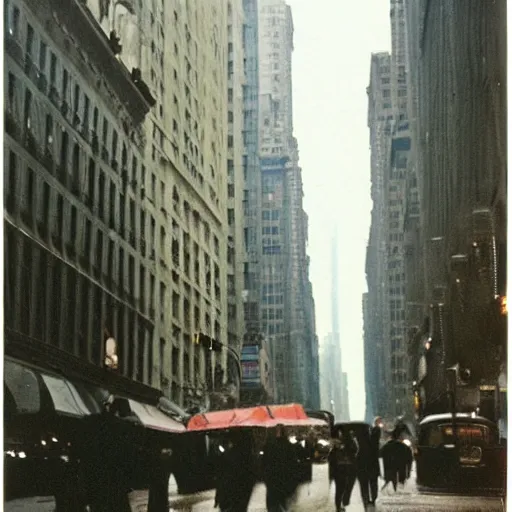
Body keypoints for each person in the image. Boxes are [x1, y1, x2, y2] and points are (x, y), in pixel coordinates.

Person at [214, 429, 256, 511]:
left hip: (229, 497)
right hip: (240, 496)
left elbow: (221, 479)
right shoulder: (247, 458)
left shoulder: (227, 456)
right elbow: (251, 479)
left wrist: (218, 497)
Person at [262, 424, 299, 511]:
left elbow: (264, 464)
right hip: (279, 481)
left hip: (276, 481)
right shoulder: (287, 446)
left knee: (275, 505)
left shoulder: (270, 445)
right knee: (279, 505)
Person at [328, 427, 359, 512]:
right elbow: (355, 451)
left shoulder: (335, 442)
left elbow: (330, 456)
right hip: (346, 468)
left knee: (339, 489)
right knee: (344, 488)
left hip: (338, 468)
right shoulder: (350, 441)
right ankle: (342, 504)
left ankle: (338, 507)